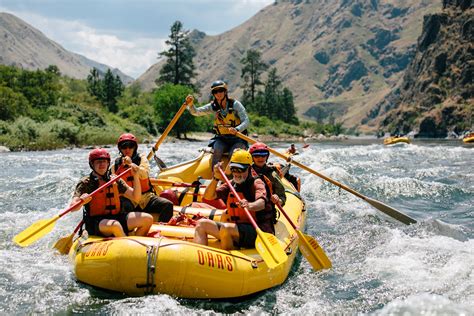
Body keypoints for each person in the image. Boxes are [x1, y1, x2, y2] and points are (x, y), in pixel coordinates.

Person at [193, 149, 275, 250]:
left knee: (226, 228)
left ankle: (228, 258)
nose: (236, 173)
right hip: (237, 229)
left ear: (249, 168)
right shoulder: (232, 183)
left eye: (240, 170)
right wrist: (216, 178)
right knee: (201, 224)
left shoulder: (257, 183)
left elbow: (261, 203)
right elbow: (208, 196)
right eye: (234, 169)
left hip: (258, 231)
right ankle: (199, 255)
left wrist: (249, 205)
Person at [70, 148, 153, 237]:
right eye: (98, 162)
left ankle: (136, 244)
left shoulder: (115, 180)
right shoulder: (86, 183)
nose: (102, 164)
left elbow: (136, 197)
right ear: (92, 164)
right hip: (96, 222)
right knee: (115, 225)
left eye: (104, 161)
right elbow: (72, 207)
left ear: (108, 163)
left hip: (117, 217)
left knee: (147, 219)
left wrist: (136, 176)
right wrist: (81, 201)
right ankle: (126, 244)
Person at [186, 80, 250, 168]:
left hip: (238, 139)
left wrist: (237, 129)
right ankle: (214, 177)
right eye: (215, 92)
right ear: (213, 94)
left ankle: (232, 178)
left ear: (225, 92)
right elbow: (196, 112)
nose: (218, 93)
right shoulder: (213, 106)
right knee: (217, 151)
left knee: (233, 154)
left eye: (220, 90)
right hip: (221, 138)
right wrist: (191, 105)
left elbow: (246, 121)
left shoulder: (235, 105)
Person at [112, 133, 174, 223]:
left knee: (167, 205)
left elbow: (144, 173)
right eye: (124, 147)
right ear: (120, 149)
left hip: (146, 197)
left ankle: (162, 228)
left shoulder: (142, 159)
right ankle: (129, 230)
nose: (127, 149)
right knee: (123, 206)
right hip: (129, 198)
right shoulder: (116, 165)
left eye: (130, 146)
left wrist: (131, 164)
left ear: (135, 147)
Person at [249, 142, 286, 207]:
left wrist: (278, 200)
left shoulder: (272, 174)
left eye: (263, 155)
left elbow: (282, 196)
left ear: (267, 157)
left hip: (267, 206)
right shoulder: (247, 171)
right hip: (251, 204)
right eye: (256, 155)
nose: (260, 158)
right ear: (252, 157)